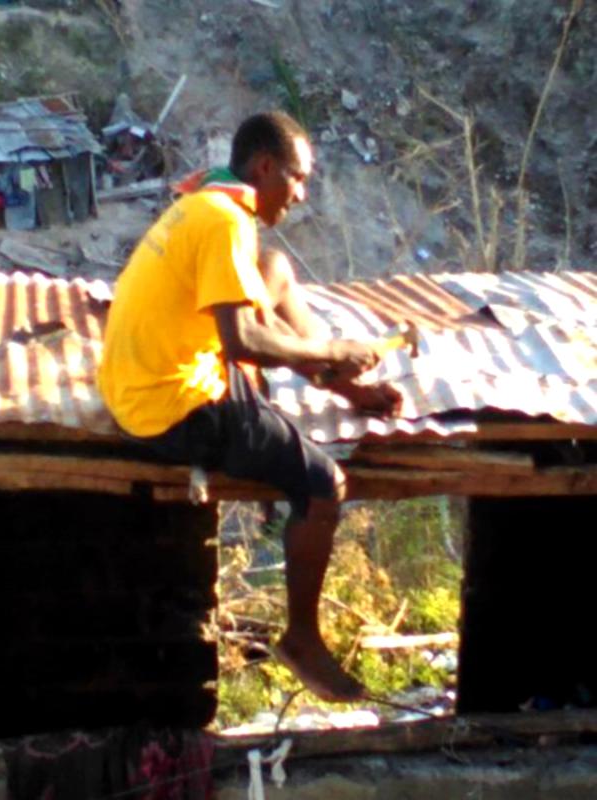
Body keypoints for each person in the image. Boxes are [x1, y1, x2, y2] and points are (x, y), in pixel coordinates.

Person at [98, 110, 402, 702]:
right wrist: (328, 346)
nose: (301, 193)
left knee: (277, 271)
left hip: (139, 378)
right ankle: (302, 638)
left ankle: (341, 384)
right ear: (265, 168)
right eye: (298, 178)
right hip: (174, 409)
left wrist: (332, 367)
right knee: (324, 485)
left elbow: (248, 312)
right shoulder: (224, 223)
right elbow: (243, 344)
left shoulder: (205, 201)